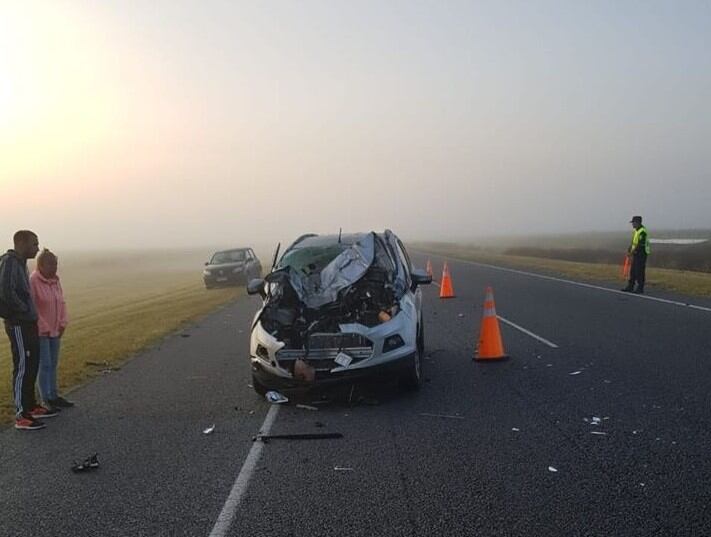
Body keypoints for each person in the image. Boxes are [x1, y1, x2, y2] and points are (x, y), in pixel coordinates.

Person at [0, 230, 58, 430]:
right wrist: (24, 310)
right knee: (23, 367)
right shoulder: (9, 262)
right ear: (22, 243)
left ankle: (31, 406)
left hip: (28, 323)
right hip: (18, 324)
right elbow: (6, 292)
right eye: (34, 244)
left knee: (32, 365)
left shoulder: (20, 263)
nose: (37, 248)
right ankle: (21, 415)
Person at [30, 248, 73, 410]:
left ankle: (54, 395)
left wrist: (63, 323)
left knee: (53, 364)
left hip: (55, 330)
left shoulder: (56, 281)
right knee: (45, 364)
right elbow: (33, 307)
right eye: (50, 264)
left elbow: (61, 303)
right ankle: (45, 398)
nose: (54, 267)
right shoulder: (33, 281)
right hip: (41, 332)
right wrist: (44, 327)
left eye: (55, 264)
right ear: (40, 265)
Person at [622, 216, 650, 294]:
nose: (632, 224)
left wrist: (632, 252)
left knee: (639, 271)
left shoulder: (642, 231)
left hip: (641, 254)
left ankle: (640, 288)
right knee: (633, 271)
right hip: (636, 254)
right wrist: (629, 249)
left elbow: (640, 245)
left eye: (633, 222)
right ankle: (630, 286)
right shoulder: (636, 231)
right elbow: (633, 242)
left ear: (638, 222)